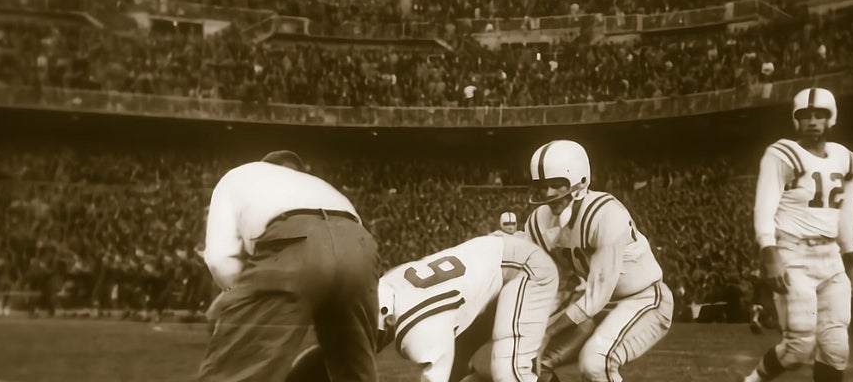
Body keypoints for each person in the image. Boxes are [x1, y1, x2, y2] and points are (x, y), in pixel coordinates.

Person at [198, 150, 380, 382]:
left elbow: (220, 258)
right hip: (359, 245)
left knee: (239, 369)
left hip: (293, 239)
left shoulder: (237, 177)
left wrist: (238, 297)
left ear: (263, 165)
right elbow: (339, 256)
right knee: (354, 369)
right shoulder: (321, 184)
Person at [289, 234, 558, 382]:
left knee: (509, 373)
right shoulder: (388, 284)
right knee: (458, 375)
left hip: (522, 268)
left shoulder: (418, 333)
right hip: (489, 270)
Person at [523, 140, 674, 382]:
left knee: (596, 362)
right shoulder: (537, 223)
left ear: (581, 181)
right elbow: (540, 284)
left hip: (644, 298)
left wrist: (547, 332)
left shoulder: (606, 214)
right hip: (594, 306)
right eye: (541, 186)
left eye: (556, 185)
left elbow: (597, 295)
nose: (548, 194)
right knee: (529, 361)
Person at [742, 88, 853, 382]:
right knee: (798, 348)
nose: (812, 121)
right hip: (793, 255)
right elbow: (764, 207)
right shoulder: (782, 154)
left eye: (819, 114)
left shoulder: (844, 158)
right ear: (796, 120)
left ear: (830, 118)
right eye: (805, 115)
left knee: (836, 347)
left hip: (830, 257)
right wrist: (770, 255)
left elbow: (845, 214)